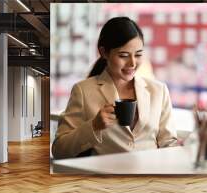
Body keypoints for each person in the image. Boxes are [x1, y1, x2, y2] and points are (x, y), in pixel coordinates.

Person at [52, 17, 178, 159]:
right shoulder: (83, 91)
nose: (132, 63)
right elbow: (59, 149)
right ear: (104, 52)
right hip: (107, 178)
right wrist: (93, 126)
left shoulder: (159, 91)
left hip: (151, 177)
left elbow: (169, 143)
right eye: (123, 55)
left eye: (138, 55)